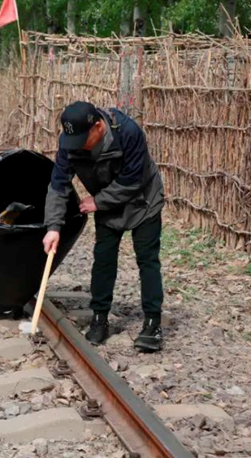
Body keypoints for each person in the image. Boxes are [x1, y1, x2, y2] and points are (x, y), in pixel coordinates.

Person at [42, 101, 165, 352]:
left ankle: (152, 323)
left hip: (144, 200)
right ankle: (100, 319)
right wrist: (53, 226)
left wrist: (97, 201)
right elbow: (58, 185)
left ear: (98, 127)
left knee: (147, 260)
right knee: (104, 258)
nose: (76, 147)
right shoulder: (70, 140)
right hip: (107, 205)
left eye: (81, 141)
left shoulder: (128, 132)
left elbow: (132, 182)